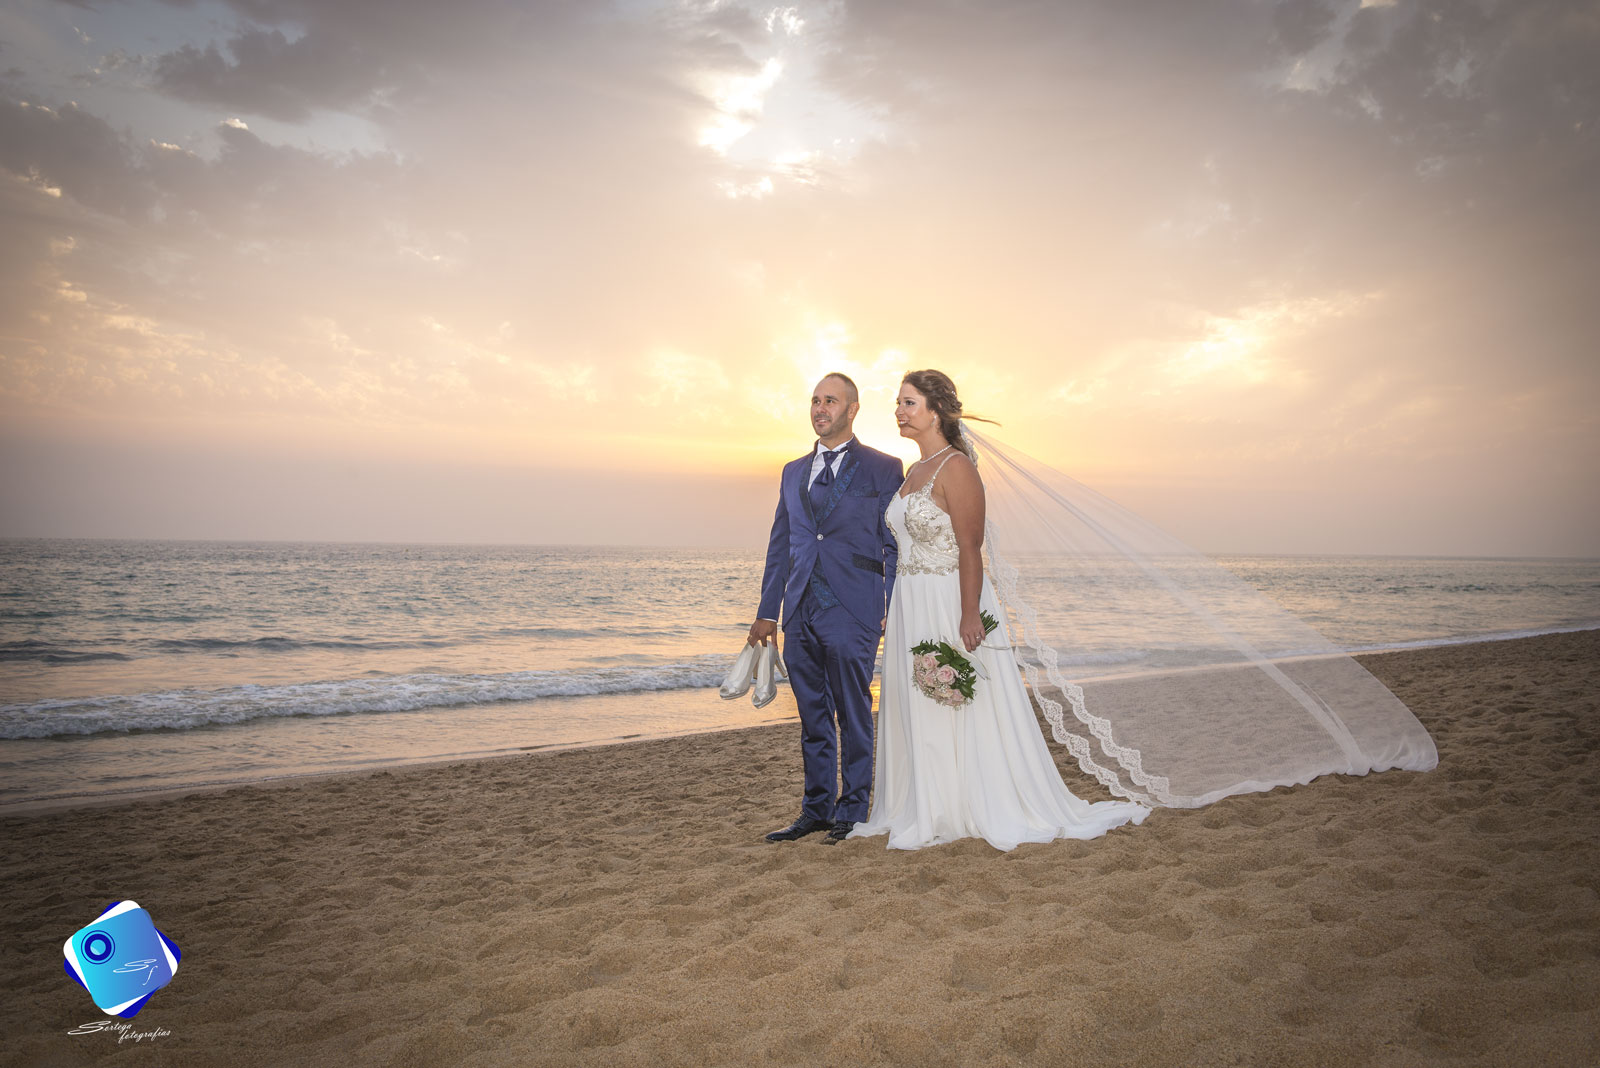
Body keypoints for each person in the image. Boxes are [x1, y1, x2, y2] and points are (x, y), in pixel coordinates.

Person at [850, 370, 1150, 851]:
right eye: (898, 404)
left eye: (908, 403)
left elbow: (971, 548)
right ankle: (928, 803)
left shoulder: (958, 469)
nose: (899, 412)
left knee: (959, 699)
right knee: (917, 702)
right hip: (910, 601)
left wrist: (970, 614)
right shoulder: (913, 472)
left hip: (950, 598)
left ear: (935, 411)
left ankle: (968, 802)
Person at [751, 373, 904, 845]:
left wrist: (893, 604)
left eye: (831, 401)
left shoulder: (884, 468)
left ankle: (853, 809)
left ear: (853, 409)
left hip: (854, 607)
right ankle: (816, 809)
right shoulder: (792, 470)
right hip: (798, 610)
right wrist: (767, 612)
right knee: (812, 716)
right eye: (815, 401)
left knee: (853, 710)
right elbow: (782, 544)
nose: (820, 408)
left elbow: (895, 544)